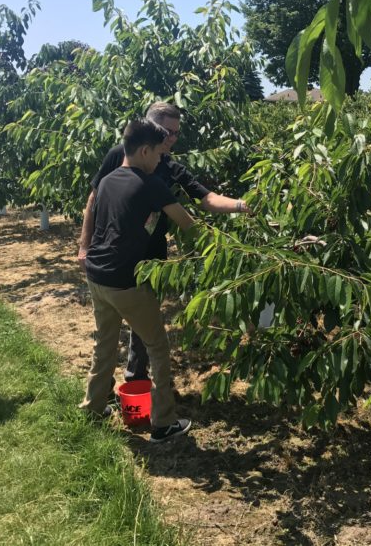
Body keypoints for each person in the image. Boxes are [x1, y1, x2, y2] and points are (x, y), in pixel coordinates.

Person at [78, 102, 250, 384]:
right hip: (113, 259)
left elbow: (206, 198)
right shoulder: (120, 154)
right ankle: (107, 389)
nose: (172, 138)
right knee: (111, 334)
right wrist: (85, 245)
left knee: (143, 332)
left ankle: (135, 382)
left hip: (150, 261)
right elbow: (94, 199)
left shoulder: (168, 167)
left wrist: (242, 205)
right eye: (167, 132)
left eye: (176, 133)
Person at [80, 118, 197, 443]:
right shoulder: (150, 184)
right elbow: (188, 224)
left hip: (97, 276)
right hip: (126, 281)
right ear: (145, 151)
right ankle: (163, 423)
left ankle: (92, 408)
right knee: (157, 346)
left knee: (105, 344)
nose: (161, 160)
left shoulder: (107, 181)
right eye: (159, 153)